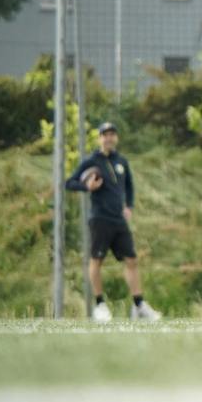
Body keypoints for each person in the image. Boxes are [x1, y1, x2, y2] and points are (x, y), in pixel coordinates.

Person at [65, 121, 162, 322]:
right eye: (105, 134)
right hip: (100, 219)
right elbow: (69, 183)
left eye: (112, 134)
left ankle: (139, 306)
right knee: (96, 261)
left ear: (115, 138)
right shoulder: (91, 161)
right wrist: (87, 187)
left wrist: (129, 206)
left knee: (132, 260)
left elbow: (130, 186)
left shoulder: (122, 161)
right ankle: (99, 306)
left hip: (119, 220)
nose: (109, 138)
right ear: (99, 138)